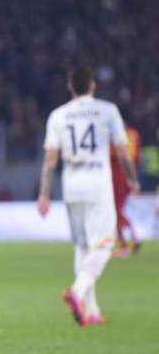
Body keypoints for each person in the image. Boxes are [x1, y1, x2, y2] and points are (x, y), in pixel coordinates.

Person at [38, 66, 138, 326]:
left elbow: (50, 160)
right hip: (98, 185)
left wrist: (44, 195)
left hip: (71, 186)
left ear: (71, 86)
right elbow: (123, 152)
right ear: (92, 85)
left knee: (82, 246)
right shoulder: (108, 111)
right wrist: (132, 178)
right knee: (104, 243)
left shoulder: (58, 115)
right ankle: (78, 291)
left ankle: (91, 311)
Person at [110, 122, 142, 257]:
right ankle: (133, 239)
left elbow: (113, 155)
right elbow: (138, 157)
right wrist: (134, 179)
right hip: (130, 176)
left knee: (116, 211)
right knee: (120, 210)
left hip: (117, 175)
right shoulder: (135, 134)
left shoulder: (117, 135)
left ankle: (126, 243)